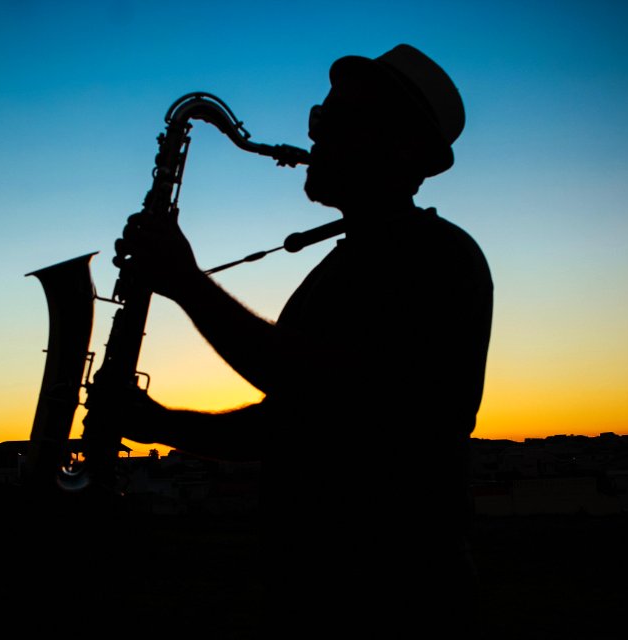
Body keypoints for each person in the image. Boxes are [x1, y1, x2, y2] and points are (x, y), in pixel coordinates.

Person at [113, 44, 493, 635]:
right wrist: (161, 424)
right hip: (327, 585)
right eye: (320, 118)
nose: (313, 135)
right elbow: (290, 424)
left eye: (334, 121)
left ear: (396, 149)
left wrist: (185, 283)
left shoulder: (435, 257)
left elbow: (320, 385)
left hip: (395, 592)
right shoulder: (355, 261)